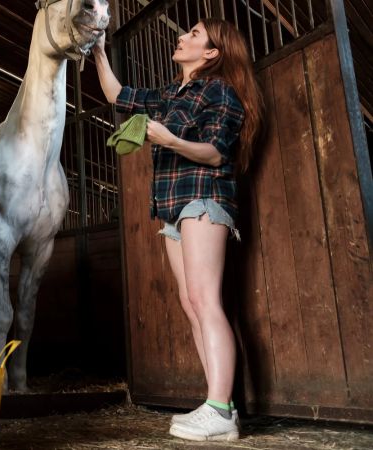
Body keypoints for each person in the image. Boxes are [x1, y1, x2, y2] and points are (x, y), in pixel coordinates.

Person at [92, 18, 264, 442]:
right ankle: (217, 408)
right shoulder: (171, 94)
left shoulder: (220, 91)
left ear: (211, 53)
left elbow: (215, 154)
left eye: (194, 34)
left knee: (206, 300)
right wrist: (97, 49)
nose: (182, 37)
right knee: (191, 304)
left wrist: (170, 141)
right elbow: (118, 95)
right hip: (171, 208)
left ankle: (221, 408)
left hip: (203, 197)